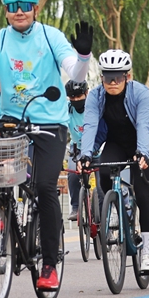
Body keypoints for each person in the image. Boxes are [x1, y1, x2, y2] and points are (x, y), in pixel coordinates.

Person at [0, 0, 92, 291]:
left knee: (44, 187)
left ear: (35, 7)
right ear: (6, 11)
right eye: (13, 6)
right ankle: (4, 217)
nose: (20, 11)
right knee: (2, 179)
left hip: (49, 126)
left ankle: (48, 265)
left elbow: (75, 73)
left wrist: (83, 58)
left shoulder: (50, 36)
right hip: (11, 125)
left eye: (26, 5)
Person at [77, 50, 149, 271]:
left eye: (118, 77)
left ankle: (148, 253)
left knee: (143, 196)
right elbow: (90, 126)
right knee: (103, 175)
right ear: (101, 77)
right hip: (114, 143)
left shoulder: (141, 93)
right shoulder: (95, 96)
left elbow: (143, 125)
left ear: (128, 76)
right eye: (107, 76)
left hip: (140, 144)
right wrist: (85, 154)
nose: (112, 82)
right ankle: (118, 203)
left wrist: (142, 153)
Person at [65, 80, 89, 222]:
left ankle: (105, 222)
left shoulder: (93, 108)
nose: (76, 100)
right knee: (72, 174)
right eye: (72, 97)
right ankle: (76, 207)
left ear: (86, 93)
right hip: (77, 150)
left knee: (101, 187)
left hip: (96, 149)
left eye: (79, 96)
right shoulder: (67, 110)